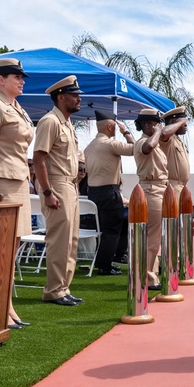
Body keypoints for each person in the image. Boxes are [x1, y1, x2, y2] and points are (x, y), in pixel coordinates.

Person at [0, 58, 35, 328]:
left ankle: (8, 306)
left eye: (21, 76)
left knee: (12, 248)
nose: (22, 80)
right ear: (0, 79)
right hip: (1, 180)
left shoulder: (18, 108)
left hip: (18, 181)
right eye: (16, 76)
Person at [32, 76, 84, 307]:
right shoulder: (50, 121)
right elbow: (39, 158)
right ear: (61, 97)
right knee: (59, 240)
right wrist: (47, 192)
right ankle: (53, 289)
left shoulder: (66, 122)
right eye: (74, 95)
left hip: (71, 184)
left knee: (71, 241)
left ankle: (63, 287)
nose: (79, 98)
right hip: (57, 184)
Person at [135, 108, 184, 290]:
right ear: (148, 125)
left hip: (160, 189)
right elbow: (148, 148)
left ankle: (150, 275)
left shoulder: (153, 142)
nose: (159, 127)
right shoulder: (143, 142)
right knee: (151, 239)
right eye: (156, 124)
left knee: (156, 238)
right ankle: (146, 278)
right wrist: (156, 132)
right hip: (151, 189)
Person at [84, 109, 137, 276]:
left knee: (106, 229)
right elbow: (137, 149)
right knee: (111, 231)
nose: (116, 129)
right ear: (109, 126)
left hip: (93, 192)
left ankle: (104, 261)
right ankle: (105, 265)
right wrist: (126, 132)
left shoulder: (89, 147)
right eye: (114, 126)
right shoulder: (111, 144)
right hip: (109, 191)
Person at [162, 105, 191, 199]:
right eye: (183, 122)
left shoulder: (178, 140)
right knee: (173, 214)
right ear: (172, 122)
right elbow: (164, 132)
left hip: (182, 187)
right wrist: (179, 123)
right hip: (172, 187)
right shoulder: (168, 139)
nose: (186, 124)